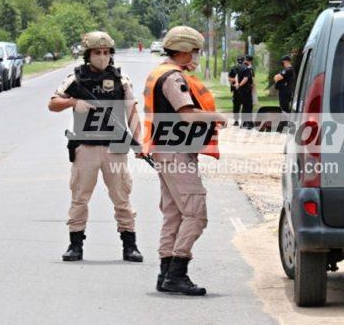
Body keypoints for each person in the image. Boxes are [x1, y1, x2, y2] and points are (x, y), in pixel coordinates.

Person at [142, 25, 227, 296]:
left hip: (164, 151)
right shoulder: (173, 77)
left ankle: (165, 273)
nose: (197, 57)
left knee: (174, 214)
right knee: (195, 214)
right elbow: (187, 114)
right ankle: (177, 273)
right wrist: (217, 117)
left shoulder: (158, 73)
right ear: (183, 50)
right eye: (195, 51)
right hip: (176, 151)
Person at [48, 31, 144, 263]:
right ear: (87, 54)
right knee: (80, 197)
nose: (101, 57)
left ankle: (130, 245)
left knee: (122, 197)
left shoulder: (122, 81)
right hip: (86, 146)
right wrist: (73, 102)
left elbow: (132, 112)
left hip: (117, 145)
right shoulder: (76, 79)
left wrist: (139, 143)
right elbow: (53, 103)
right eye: (96, 53)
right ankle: (75, 244)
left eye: (105, 53)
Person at [236, 56, 254, 129]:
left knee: (244, 106)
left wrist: (238, 84)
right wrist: (240, 84)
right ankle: (248, 123)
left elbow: (236, 76)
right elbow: (246, 79)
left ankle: (243, 123)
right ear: (250, 61)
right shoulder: (247, 68)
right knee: (248, 106)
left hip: (241, 90)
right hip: (246, 89)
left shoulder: (240, 66)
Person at [228, 56, 246, 125]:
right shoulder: (234, 69)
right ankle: (236, 121)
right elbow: (229, 78)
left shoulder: (245, 68)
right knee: (237, 106)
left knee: (242, 106)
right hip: (237, 90)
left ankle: (242, 121)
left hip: (243, 90)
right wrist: (236, 80)